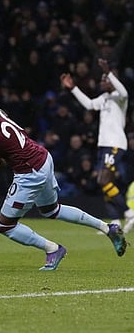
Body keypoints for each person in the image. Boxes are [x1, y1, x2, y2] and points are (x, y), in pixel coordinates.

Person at [0, 83, 127, 271]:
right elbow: (4, 122)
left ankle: (53, 249)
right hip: (42, 156)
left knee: (4, 225)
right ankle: (107, 228)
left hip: (30, 172)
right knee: (52, 210)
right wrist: (2, 153)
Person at [60, 59, 134, 232]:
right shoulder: (105, 98)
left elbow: (123, 89)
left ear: (112, 80)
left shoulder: (120, 97)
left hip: (115, 144)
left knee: (103, 180)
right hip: (104, 145)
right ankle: (115, 222)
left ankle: (129, 213)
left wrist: (109, 72)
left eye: (105, 79)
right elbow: (89, 104)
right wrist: (73, 89)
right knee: (107, 184)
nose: (102, 82)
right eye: (102, 79)